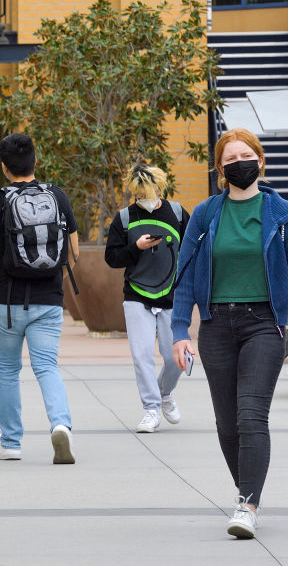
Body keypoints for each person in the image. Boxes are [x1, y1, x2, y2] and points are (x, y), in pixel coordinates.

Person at [171, 128, 288, 540]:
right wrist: (180, 329)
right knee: (227, 425)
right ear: (220, 169)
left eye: (246, 155)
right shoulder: (206, 214)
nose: (239, 163)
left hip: (264, 325)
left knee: (251, 416)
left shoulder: (282, 216)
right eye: (230, 159)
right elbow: (186, 275)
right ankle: (246, 487)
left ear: (261, 161)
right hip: (215, 326)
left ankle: (247, 503)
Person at [0, 133, 78, 466]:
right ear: (36, 161)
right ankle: (61, 424)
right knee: (47, 367)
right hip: (48, 300)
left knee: (8, 370)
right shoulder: (57, 196)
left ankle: (11, 442)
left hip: (7, 301)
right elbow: (72, 254)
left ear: (4, 167)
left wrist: (1, 262)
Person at [104, 164, 189, 433]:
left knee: (177, 357)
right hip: (136, 295)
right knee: (141, 356)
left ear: (159, 188)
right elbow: (112, 258)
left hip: (171, 296)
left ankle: (165, 393)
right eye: (139, 195)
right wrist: (135, 247)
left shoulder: (176, 213)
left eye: (148, 193)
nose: (145, 199)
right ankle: (151, 409)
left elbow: (192, 251)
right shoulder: (124, 218)